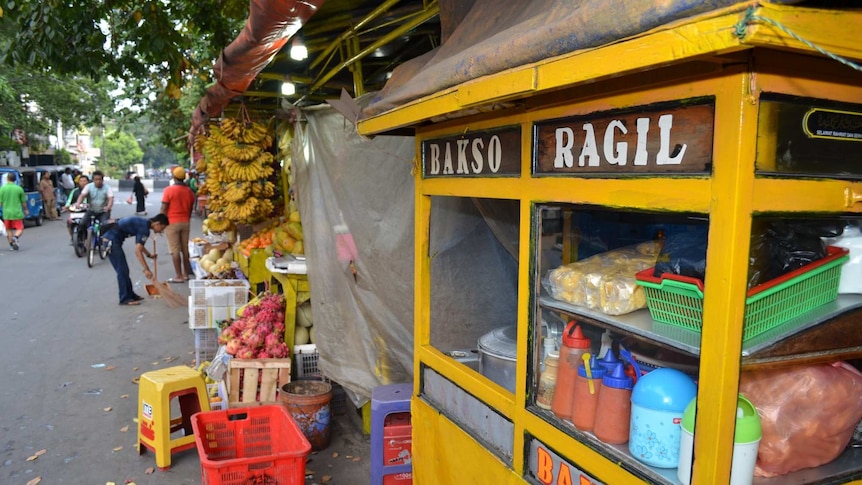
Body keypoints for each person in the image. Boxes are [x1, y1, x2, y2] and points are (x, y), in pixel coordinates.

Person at [102, 213, 168, 306]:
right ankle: (124, 298)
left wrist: (149, 255)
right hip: (111, 240)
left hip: (113, 238)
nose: (161, 231)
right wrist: (146, 269)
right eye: (162, 228)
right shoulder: (145, 228)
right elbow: (137, 251)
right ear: (157, 223)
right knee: (122, 270)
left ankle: (130, 294)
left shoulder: (144, 224)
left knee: (124, 270)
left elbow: (139, 245)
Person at [161, 167, 196, 282]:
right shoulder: (189, 191)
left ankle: (179, 276)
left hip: (172, 222)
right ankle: (186, 274)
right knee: (185, 249)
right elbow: (191, 208)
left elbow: (164, 208)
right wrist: (187, 218)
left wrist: (161, 221)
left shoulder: (168, 190)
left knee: (175, 249)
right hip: (185, 222)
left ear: (174, 177)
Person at [75, 170, 114, 239]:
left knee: (105, 225)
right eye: (96, 180)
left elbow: (110, 198)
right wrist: (78, 203)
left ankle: (103, 241)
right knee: (82, 224)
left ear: (102, 180)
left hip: (103, 211)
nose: (98, 181)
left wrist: (108, 207)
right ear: (93, 180)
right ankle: (81, 239)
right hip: (91, 210)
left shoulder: (107, 188)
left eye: (100, 180)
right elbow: (82, 195)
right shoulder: (88, 187)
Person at [0, 172, 29, 250]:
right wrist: (26, 210)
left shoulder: (2, 189)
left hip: (6, 213)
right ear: (15, 179)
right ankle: (15, 237)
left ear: (7, 179)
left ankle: (11, 245)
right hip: (17, 213)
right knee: (20, 228)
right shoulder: (19, 189)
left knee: (8, 229)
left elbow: (0, 202)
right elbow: (23, 202)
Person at [63, 175, 89, 241]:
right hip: (76, 212)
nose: (83, 183)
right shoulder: (74, 191)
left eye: (84, 181)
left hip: (88, 212)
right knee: (69, 223)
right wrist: (66, 207)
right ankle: (73, 238)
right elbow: (69, 201)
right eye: (81, 181)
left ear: (88, 182)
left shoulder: (92, 190)